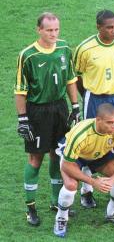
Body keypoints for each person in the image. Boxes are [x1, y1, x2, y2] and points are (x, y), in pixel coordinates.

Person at [14, 12, 79, 226]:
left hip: (60, 109)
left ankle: (54, 201)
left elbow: (70, 79)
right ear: (39, 30)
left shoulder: (64, 48)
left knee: (57, 155)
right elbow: (20, 90)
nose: (53, 34)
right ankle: (30, 207)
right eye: (49, 30)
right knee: (36, 159)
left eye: (56, 29)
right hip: (37, 112)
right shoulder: (28, 55)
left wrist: (75, 106)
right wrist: (23, 118)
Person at [53, 103, 114, 237]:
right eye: (109, 122)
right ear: (98, 120)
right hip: (75, 158)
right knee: (71, 185)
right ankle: (61, 218)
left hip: (99, 154)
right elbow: (66, 165)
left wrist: (113, 179)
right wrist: (93, 182)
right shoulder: (81, 134)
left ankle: (112, 214)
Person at [73, 10, 114, 208]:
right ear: (98, 27)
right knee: (90, 144)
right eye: (109, 27)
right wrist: (87, 95)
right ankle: (87, 190)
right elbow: (76, 77)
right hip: (95, 99)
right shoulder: (85, 48)